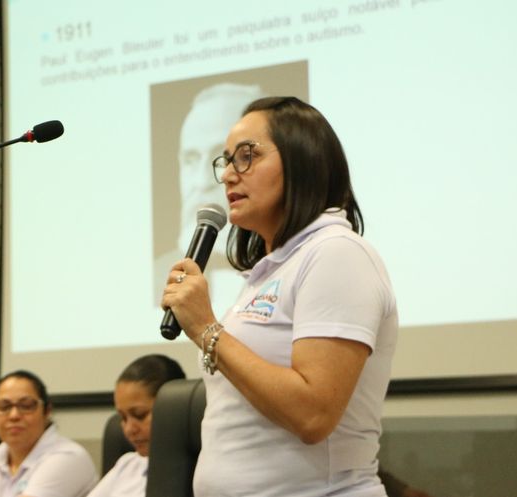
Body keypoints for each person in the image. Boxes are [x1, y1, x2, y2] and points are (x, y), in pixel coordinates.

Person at [160, 96, 398, 496]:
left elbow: (313, 414)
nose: (228, 176)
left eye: (247, 156)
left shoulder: (336, 253)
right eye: (226, 161)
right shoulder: (270, 270)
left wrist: (206, 328)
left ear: (302, 161)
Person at [153, 82, 266, 307]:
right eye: (191, 160)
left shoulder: (297, 263)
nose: (203, 182)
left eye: (223, 159)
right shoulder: (155, 276)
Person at [0, 370, 97, 497]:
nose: (14, 415)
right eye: (4, 406)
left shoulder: (68, 456)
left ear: (47, 411)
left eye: (26, 406)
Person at [86, 354, 186, 497]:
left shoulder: (199, 473)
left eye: (140, 415)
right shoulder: (128, 464)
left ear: (174, 407)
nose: (129, 429)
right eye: (123, 417)